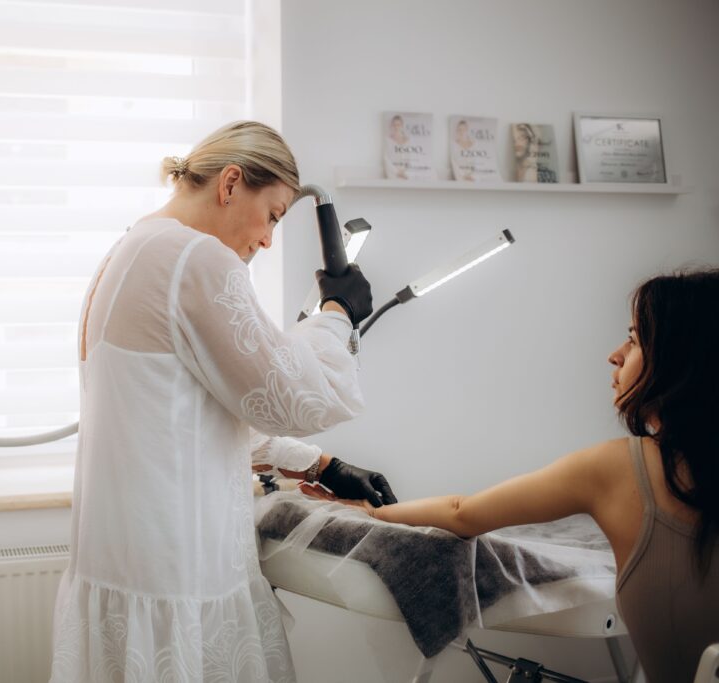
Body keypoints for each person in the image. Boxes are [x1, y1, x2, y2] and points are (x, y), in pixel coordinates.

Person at [50, 121, 396, 682]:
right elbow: (293, 398)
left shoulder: (133, 246)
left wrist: (321, 465)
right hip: (178, 577)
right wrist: (337, 314)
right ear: (231, 183)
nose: (267, 240)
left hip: (125, 570)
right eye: (275, 215)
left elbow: (189, 410)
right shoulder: (193, 259)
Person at [302, 268, 719, 683]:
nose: (615, 354)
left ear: (681, 358)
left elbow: (462, 512)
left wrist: (369, 512)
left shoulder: (617, 468)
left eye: (633, 339)